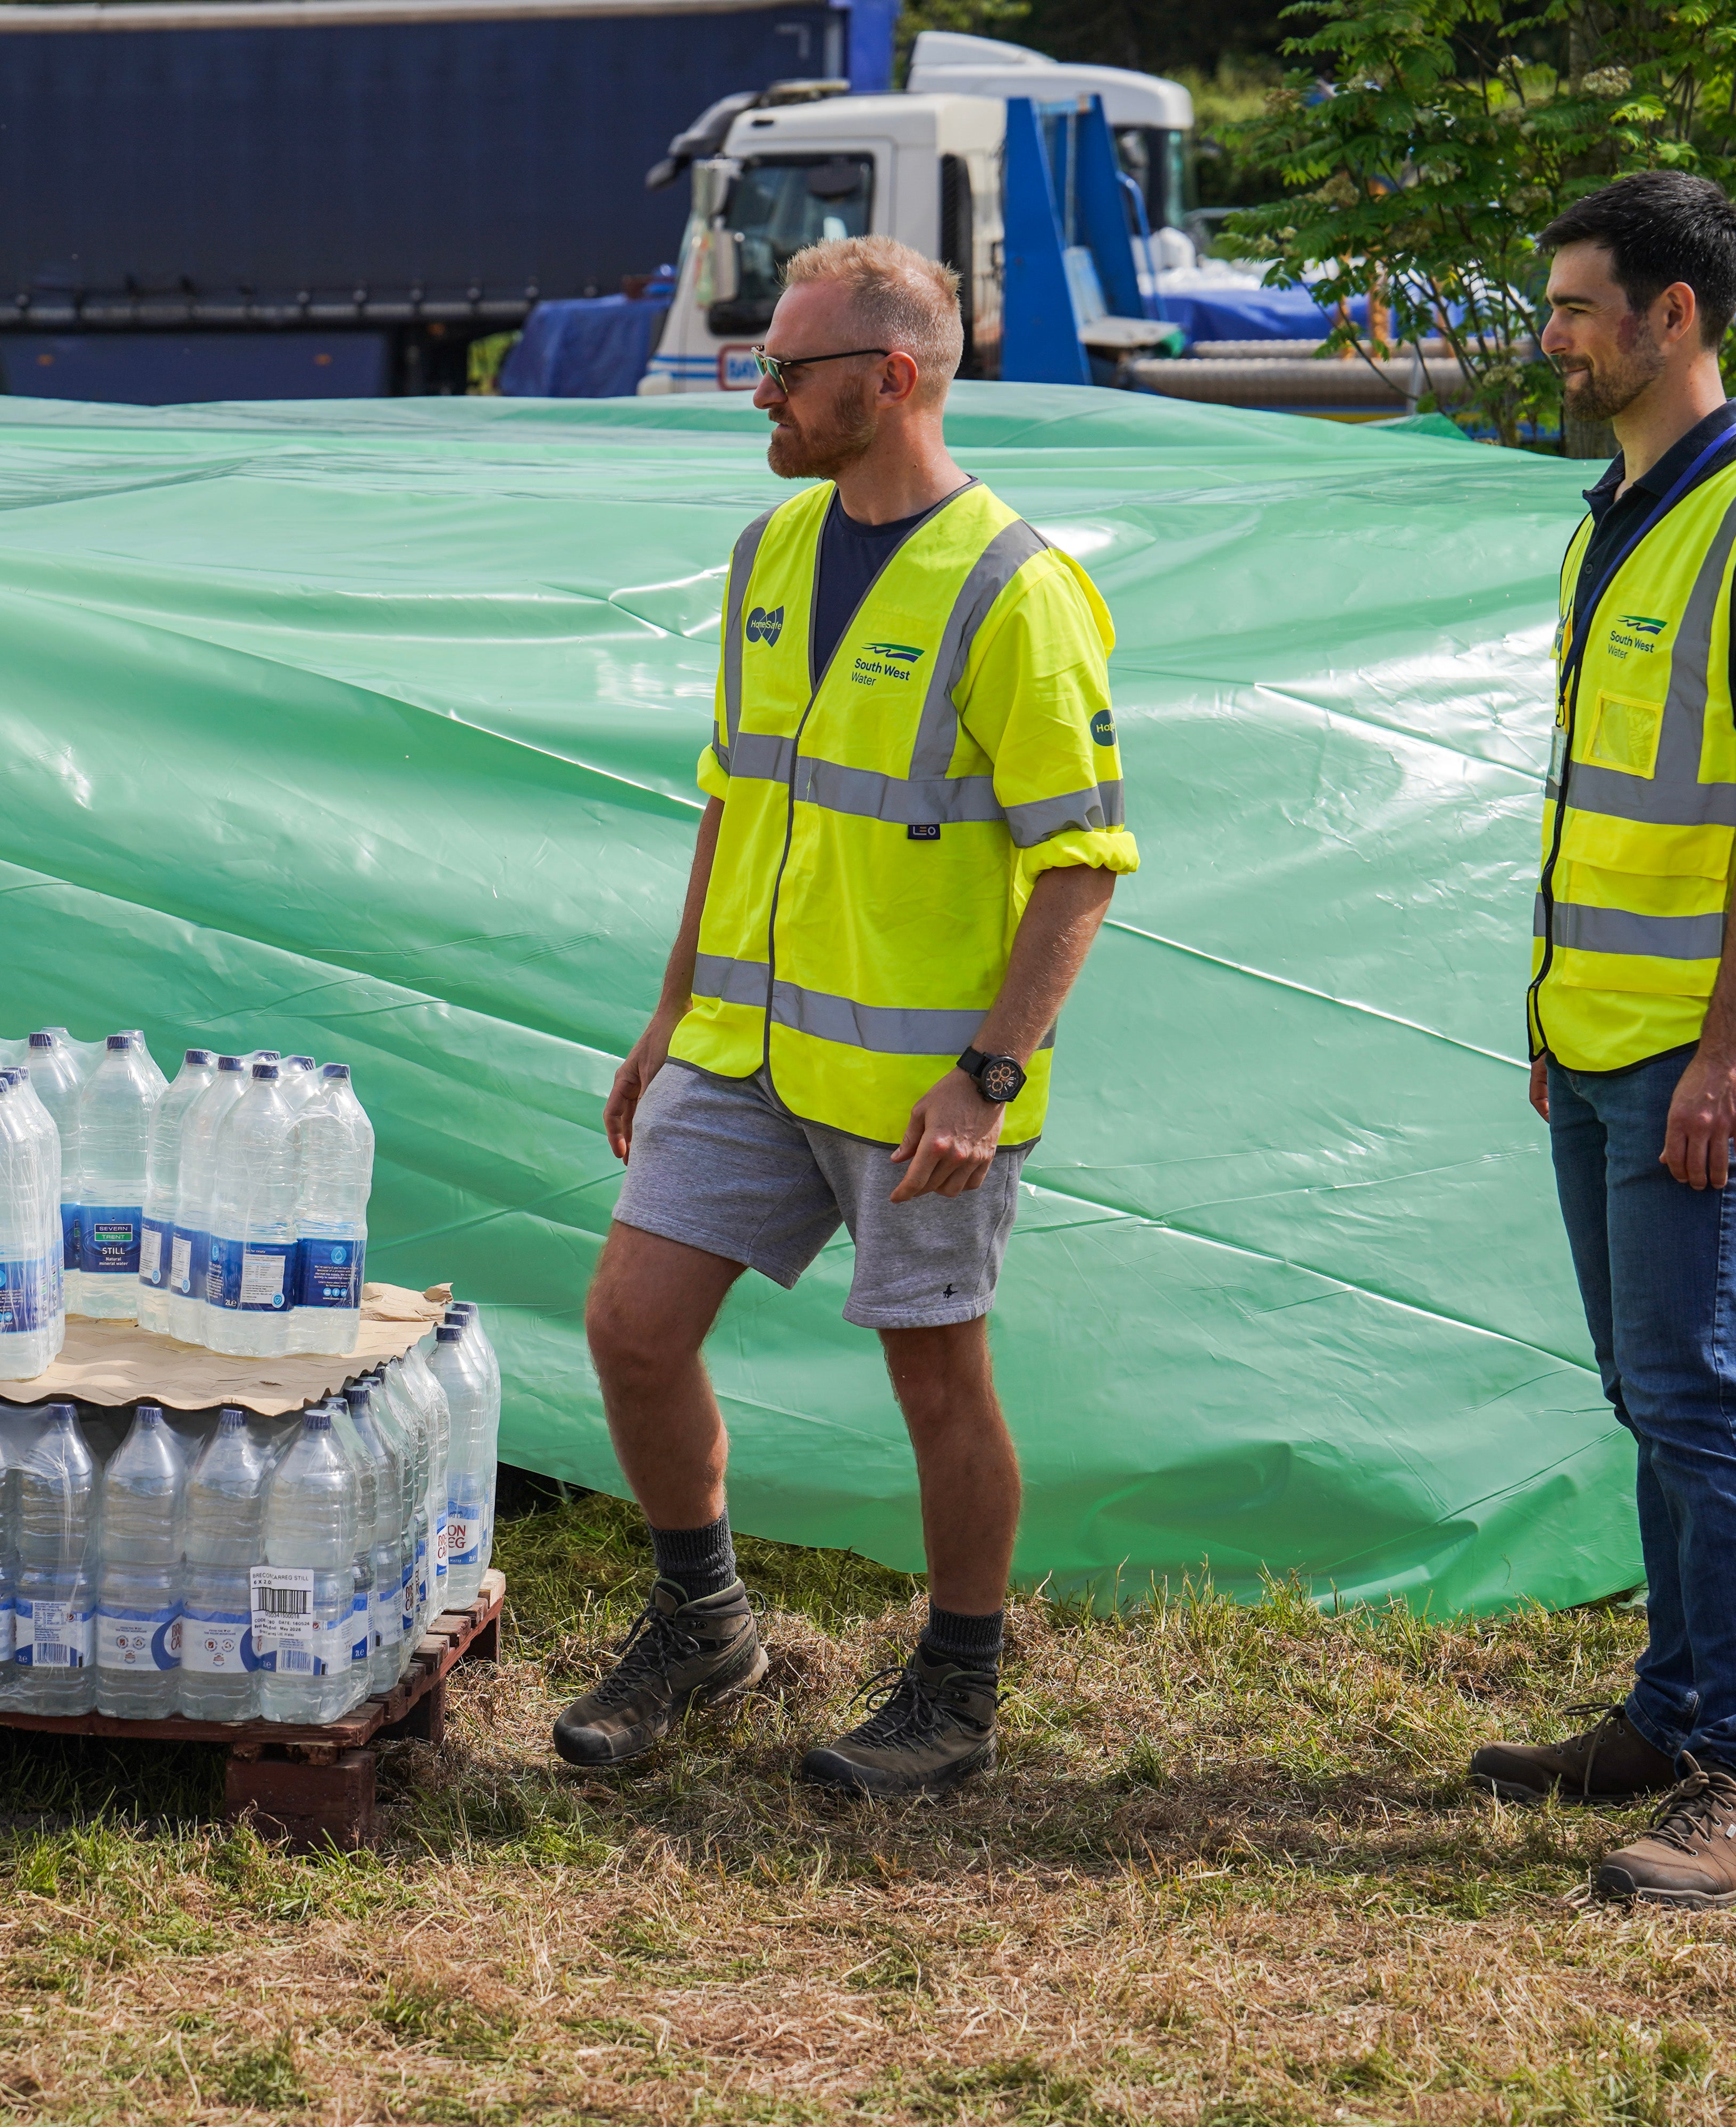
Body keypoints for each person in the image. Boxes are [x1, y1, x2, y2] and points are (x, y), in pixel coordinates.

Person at [557, 236, 1136, 1795]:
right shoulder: (770, 551)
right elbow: (736, 803)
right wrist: (668, 1018)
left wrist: (986, 1078)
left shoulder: (1017, 589)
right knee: (629, 1327)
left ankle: (958, 1689)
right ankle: (707, 1630)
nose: (761, 389)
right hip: (741, 1052)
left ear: (887, 383)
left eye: (787, 369)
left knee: (938, 1380)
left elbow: (1080, 864)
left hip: (916, 1089)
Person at [1466, 172, 1736, 1907]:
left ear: (1674, 318)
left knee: (1706, 1396)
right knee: (1651, 1391)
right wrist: (1561, 1012)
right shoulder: (1614, 519)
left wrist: (1731, 1049)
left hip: (1706, 1047)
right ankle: (1672, 1709)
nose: (1551, 334)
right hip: (1605, 1031)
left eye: (1576, 307)